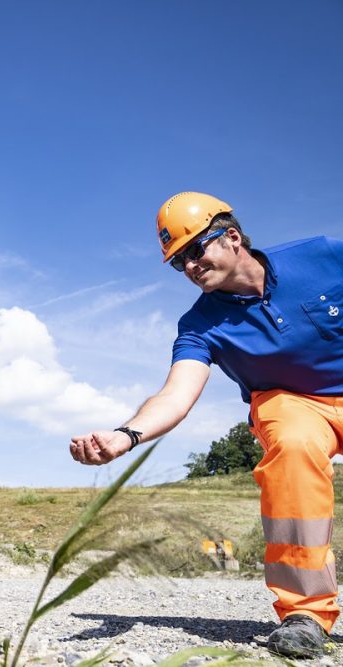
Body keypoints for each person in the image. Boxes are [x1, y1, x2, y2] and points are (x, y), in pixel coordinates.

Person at [69, 192, 343, 659]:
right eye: (179, 263)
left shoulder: (321, 256)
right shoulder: (199, 325)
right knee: (292, 447)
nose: (191, 267)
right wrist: (126, 435)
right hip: (292, 403)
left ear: (232, 237)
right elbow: (176, 393)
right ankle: (306, 612)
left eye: (196, 250)